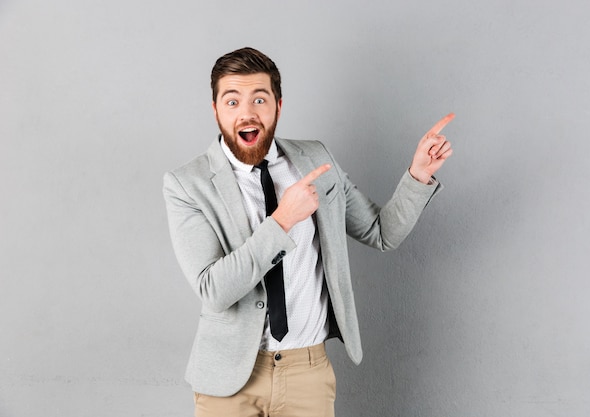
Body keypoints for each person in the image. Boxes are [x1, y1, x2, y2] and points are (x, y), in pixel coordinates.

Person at [163, 47, 454, 417]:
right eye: (232, 101)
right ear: (216, 109)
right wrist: (283, 220)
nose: (246, 112)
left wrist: (418, 175)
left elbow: (383, 233)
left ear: (278, 107)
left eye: (259, 99)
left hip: (308, 373)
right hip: (229, 379)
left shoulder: (316, 160)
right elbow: (214, 290)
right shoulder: (188, 184)